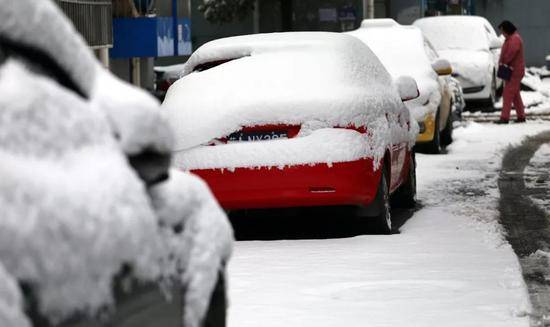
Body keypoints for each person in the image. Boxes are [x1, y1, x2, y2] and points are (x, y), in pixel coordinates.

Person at [496, 20, 526, 124]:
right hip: (514, 70)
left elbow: (510, 54)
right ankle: (521, 116)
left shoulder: (514, 39)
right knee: (515, 95)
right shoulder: (511, 38)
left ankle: (504, 118)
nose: (502, 34)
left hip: (514, 71)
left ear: (507, 29)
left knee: (507, 94)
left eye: (503, 31)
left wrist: (503, 63)